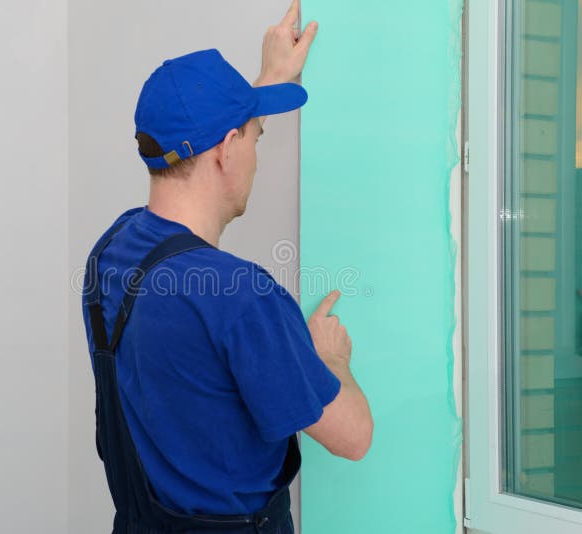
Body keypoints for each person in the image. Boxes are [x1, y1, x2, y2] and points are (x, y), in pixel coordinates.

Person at [81, 2, 373, 532]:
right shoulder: (242, 297)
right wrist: (331, 360)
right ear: (227, 149)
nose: (257, 154)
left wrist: (265, 85)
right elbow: (354, 436)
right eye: (253, 139)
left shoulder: (110, 253)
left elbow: (214, 138)